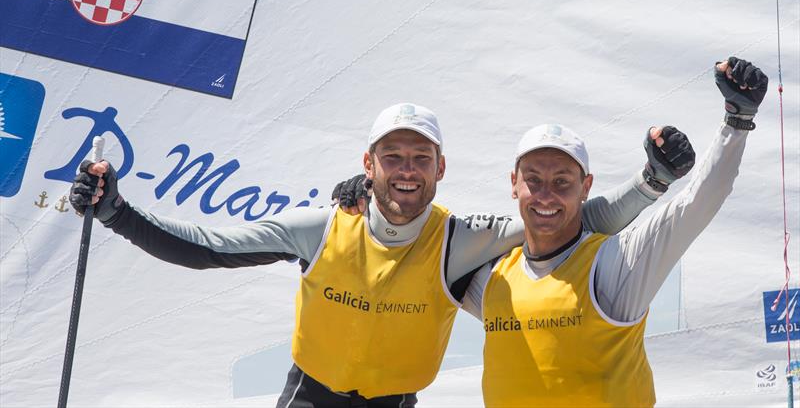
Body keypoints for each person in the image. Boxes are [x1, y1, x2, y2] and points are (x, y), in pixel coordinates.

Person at [69, 102, 691, 407]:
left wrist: (652, 185)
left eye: (421, 159)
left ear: (441, 168)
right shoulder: (323, 226)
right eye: (392, 157)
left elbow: (576, 218)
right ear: (367, 165)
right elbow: (207, 250)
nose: (406, 172)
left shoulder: (462, 237)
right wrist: (117, 212)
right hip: (310, 398)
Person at [457, 57, 767, 407]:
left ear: (586, 186)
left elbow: (696, 205)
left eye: (562, 181)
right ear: (514, 184)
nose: (546, 195)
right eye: (533, 180)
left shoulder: (614, 263)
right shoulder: (491, 279)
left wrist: (737, 120)